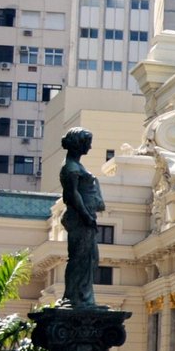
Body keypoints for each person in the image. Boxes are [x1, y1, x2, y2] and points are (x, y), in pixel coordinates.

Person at [58, 127, 104, 307]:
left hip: (85, 217)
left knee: (89, 258)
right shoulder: (71, 167)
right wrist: (86, 215)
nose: (90, 147)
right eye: (88, 143)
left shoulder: (75, 165)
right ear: (79, 145)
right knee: (79, 258)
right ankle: (73, 298)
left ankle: (84, 297)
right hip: (80, 219)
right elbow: (71, 195)